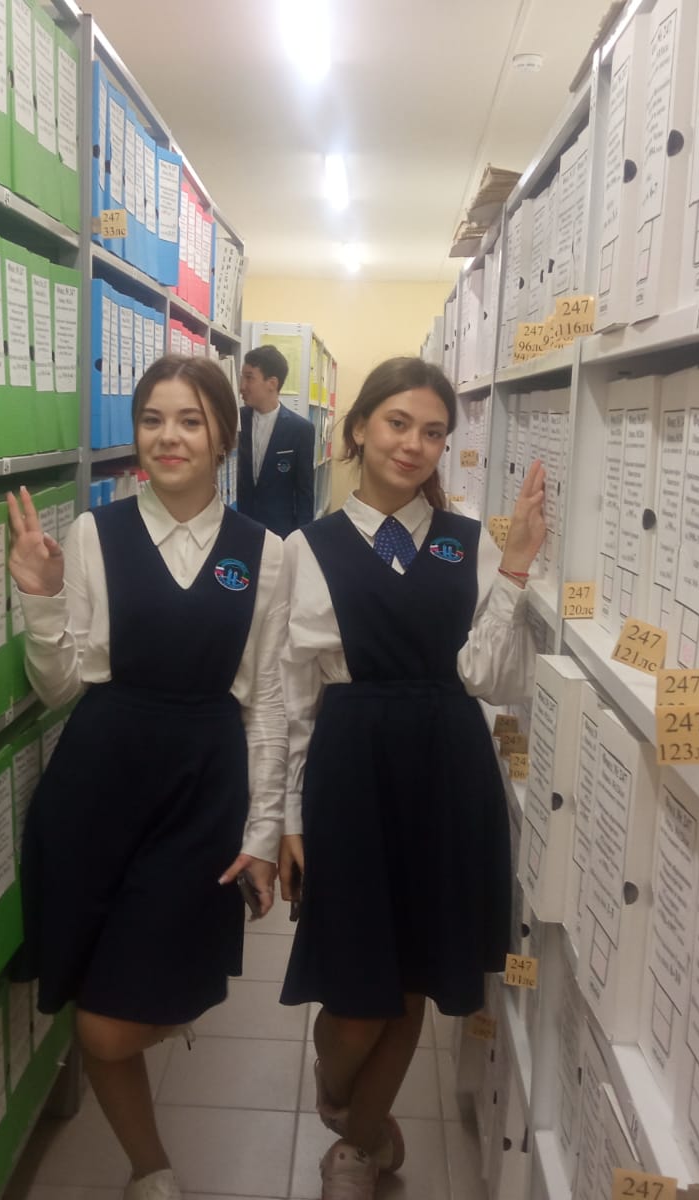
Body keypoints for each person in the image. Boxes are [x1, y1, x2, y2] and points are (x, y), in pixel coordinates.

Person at [8, 355, 288, 1200]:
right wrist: (43, 600)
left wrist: (263, 832)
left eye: (191, 420)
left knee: (116, 1018)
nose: (170, 438)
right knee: (95, 1000)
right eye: (153, 419)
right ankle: (149, 1168)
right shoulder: (95, 534)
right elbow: (61, 688)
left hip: (202, 788)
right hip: (97, 783)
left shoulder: (265, 553)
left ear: (223, 435)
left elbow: (267, 704)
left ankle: (167, 1013)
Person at [276, 356, 547, 1199]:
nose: (414, 444)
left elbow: (490, 679)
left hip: (448, 769)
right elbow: (291, 700)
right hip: (350, 772)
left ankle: (357, 1147)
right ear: (359, 428)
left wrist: (515, 569)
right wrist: (286, 818)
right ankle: (339, 1098)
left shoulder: (470, 543)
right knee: (357, 996)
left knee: (416, 978)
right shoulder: (306, 549)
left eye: (433, 431)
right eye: (398, 423)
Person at [236, 344, 316, 536]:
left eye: (249, 378)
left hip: (280, 533)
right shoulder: (235, 420)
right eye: (242, 378)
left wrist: (303, 538)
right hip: (240, 527)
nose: (242, 386)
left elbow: (304, 493)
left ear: (272, 383)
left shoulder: (300, 430)